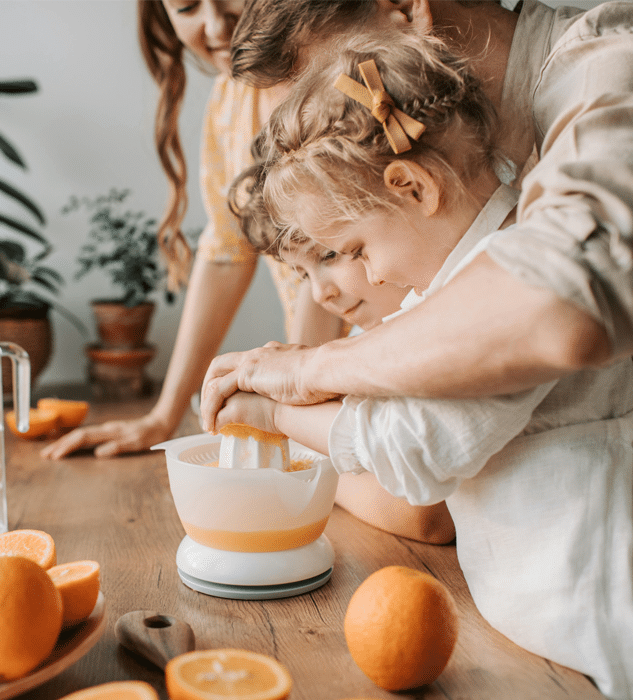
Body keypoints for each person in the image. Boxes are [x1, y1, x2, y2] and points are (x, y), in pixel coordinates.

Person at [215, 37, 633, 698]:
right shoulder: (461, 280)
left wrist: (274, 415)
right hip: (546, 635)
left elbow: (414, 449)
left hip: (601, 631)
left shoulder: (503, 278)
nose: (356, 279)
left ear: (412, 186)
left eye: (350, 249)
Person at [200, 0, 629, 430]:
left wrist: (309, 370)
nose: (329, 142)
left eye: (333, 102)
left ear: (405, 11)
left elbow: (564, 309)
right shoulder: (469, 160)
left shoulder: (609, 69)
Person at [42, 0, 344, 460]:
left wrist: (298, 405)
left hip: (370, 376)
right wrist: (164, 416)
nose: (215, 25)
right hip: (316, 396)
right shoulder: (231, 98)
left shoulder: (338, 71)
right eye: (186, 7)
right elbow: (226, 251)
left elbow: (327, 254)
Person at [229, 164, 453, 543]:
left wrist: (297, 453)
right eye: (302, 275)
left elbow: (425, 517)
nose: (320, 294)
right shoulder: (373, 334)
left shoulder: (433, 324)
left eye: (330, 254)